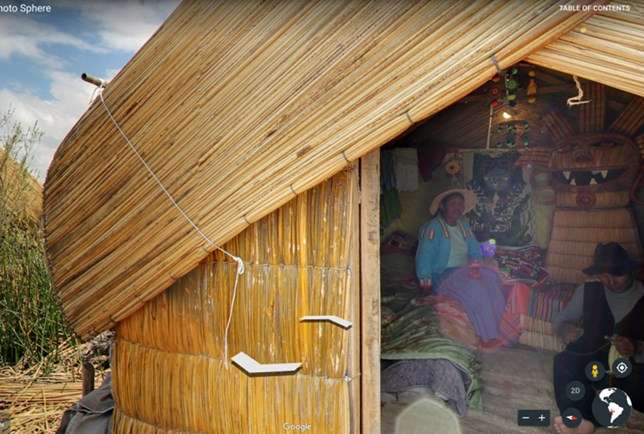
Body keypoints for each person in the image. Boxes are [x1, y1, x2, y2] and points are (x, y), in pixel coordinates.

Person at [552, 242, 644, 434]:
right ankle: (580, 419)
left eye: (617, 275)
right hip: (591, 362)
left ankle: (598, 414)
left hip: (629, 371)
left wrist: (636, 347)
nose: (610, 281)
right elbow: (559, 321)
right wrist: (564, 329)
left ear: (630, 271)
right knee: (564, 362)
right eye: (604, 275)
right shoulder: (588, 291)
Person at [415, 189, 507, 348]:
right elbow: (425, 256)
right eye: (453, 203)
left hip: (463, 270)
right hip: (443, 274)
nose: (457, 207)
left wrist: (475, 266)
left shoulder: (463, 225)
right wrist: (425, 284)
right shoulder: (434, 227)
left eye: (460, 204)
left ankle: (503, 330)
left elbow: (474, 248)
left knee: (492, 280)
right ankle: (487, 337)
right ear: (443, 206)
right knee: (475, 288)